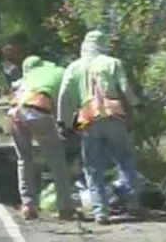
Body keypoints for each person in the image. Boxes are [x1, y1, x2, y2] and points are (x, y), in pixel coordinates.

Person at [57, 30, 143, 224]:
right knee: (125, 159)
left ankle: (100, 212)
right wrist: (137, 105)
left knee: (92, 166)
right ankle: (132, 203)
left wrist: (62, 122)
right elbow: (125, 87)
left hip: (86, 116)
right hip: (113, 114)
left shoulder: (73, 67)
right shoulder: (113, 62)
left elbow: (64, 95)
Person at [8, 56, 75, 221]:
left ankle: (28, 205)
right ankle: (65, 207)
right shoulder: (60, 72)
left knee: (24, 160)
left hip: (15, 115)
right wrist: (64, 124)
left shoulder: (28, 77)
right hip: (39, 112)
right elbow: (65, 101)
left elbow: (14, 89)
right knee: (57, 162)